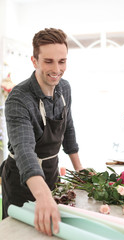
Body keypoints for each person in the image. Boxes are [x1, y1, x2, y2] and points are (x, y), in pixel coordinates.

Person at [0, 28, 83, 236]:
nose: (57, 69)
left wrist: (80, 170)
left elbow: (68, 128)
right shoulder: (19, 99)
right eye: (49, 61)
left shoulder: (64, 88)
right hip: (21, 179)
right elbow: (25, 151)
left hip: (51, 173)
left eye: (62, 61)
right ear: (34, 61)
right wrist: (44, 196)